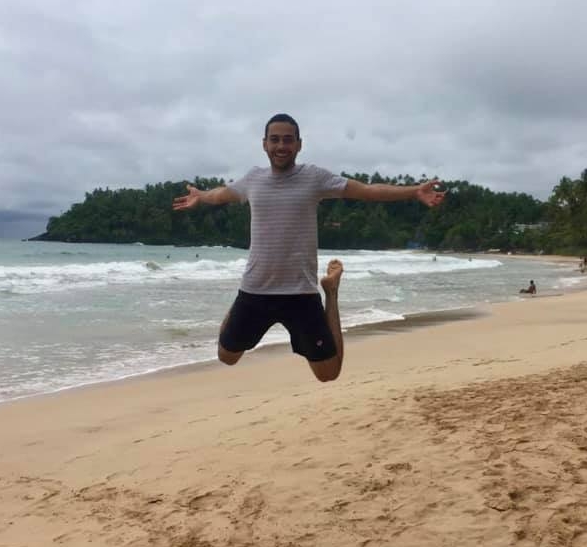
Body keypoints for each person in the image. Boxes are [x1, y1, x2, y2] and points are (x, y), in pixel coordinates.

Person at [172, 112, 446, 382]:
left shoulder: (314, 177)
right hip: (255, 290)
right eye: (275, 139)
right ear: (264, 144)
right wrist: (201, 196)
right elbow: (221, 194)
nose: (281, 146)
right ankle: (238, 301)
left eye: (288, 139)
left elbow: (367, 190)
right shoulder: (253, 179)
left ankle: (331, 292)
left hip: (300, 292)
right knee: (226, 357)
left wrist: (414, 191)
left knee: (328, 373)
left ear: (299, 144)